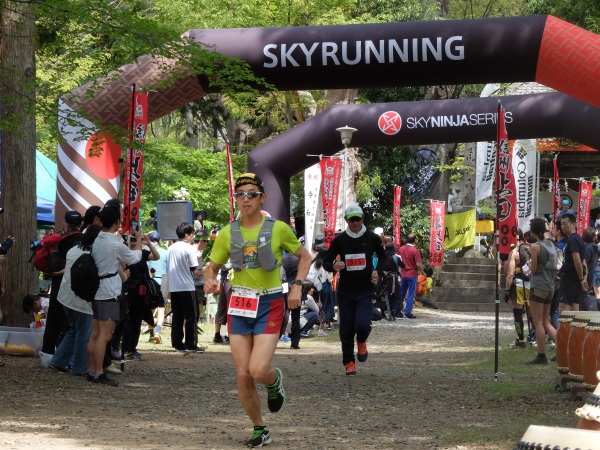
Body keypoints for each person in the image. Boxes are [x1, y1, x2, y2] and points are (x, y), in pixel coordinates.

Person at [204, 172, 311, 448]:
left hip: (270, 302)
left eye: (251, 193)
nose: (245, 199)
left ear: (262, 197)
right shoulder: (228, 232)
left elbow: (304, 257)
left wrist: (297, 286)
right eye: (240, 194)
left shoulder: (278, 228)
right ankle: (260, 428)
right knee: (243, 374)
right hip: (239, 304)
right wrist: (209, 279)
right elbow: (213, 266)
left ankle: (274, 381)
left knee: (258, 370)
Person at [322, 204, 385, 376]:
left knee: (363, 324)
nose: (355, 223)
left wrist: (376, 271)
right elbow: (326, 262)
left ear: (363, 219)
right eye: (352, 220)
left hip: (365, 290)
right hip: (345, 292)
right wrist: (335, 265)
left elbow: (383, 257)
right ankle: (349, 361)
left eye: (358, 219)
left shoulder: (372, 238)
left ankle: (362, 340)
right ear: (346, 220)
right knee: (346, 329)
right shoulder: (340, 240)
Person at [88, 201, 141, 386]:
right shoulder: (114, 243)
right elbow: (134, 258)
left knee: (95, 334)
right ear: (117, 222)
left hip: (96, 289)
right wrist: (139, 241)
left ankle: (92, 370)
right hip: (109, 291)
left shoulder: (98, 239)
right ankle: (99, 372)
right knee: (105, 335)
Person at [48, 225, 102, 375]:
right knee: (84, 336)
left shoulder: (74, 250)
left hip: (66, 297)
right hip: (81, 301)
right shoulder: (95, 255)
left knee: (74, 331)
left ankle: (57, 361)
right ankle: (80, 368)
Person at [41, 211, 84, 361]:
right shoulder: (82, 240)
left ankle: (46, 356)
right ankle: (63, 357)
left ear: (65, 223)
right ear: (82, 224)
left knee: (53, 319)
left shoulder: (59, 239)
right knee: (69, 322)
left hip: (57, 282)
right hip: (73, 283)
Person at [167, 222, 205, 353]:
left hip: (174, 286)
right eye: (192, 233)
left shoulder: (171, 248)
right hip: (186, 286)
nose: (193, 236)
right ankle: (191, 343)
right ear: (187, 234)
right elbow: (194, 268)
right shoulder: (189, 248)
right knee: (192, 315)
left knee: (177, 315)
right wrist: (198, 257)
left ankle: (177, 343)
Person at [525, 218, 558, 365]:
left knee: (537, 321)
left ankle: (541, 355)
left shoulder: (535, 247)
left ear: (532, 231)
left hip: (538, 286)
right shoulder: (551, 244)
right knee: (546, 321)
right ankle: (562, 350)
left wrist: (529, 259)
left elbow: (533, 269)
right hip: (550, 286)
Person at [558, 212, 588, 313]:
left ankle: (564, 329)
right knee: (575, 308)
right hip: (575, 279)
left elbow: (578, 261)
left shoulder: (573, 239)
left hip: (570, 279)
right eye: (561, 224)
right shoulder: (578, 239)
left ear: (573, 224)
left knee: (564, 308)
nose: (563, 227)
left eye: (565, 223)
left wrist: (581, 279)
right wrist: (583, 279)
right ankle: (575, 329)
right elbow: (583, 262)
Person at [398, 233, 425, 319]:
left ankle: (397, 310)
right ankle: (407, 312)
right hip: (412, 274)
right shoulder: (415, 251)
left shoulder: (400, 249)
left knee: (401, 293)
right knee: (411, 294)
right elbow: (418, 264)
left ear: (406, 239)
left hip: (403, 274)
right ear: (414, 240)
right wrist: (423, 273)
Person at [146, 231, 167, 342]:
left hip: (150, 283)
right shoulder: (165, 252)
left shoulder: (147, 253)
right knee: (161, 308)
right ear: (159, 241)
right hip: (162, 282)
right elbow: (168, 269)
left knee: (150, 308)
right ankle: (158, 332)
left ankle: (151, 333)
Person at [581, 227, 599, 311]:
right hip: (591, 272)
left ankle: (586, 313)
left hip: (586, 274)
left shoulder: (588, 248)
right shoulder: (594, 247)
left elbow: (585, 263)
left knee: (584, 295)